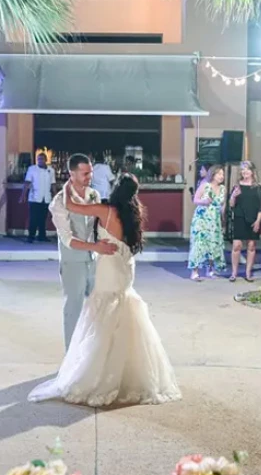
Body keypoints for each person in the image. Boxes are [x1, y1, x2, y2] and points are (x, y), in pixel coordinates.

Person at [29, 174, 181, 406]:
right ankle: (128, 374)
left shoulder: (105, 210)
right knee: (124, 308)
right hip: (125, 266)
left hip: (108, 266)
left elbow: (71, 206)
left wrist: (70, 183)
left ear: (115, 188)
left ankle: (100, 374)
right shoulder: (134, 213)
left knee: (103, 315)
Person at [49, 153, 118, 348]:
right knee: (74, 307)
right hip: (73, 261)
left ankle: (90, 350)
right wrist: (95, 247)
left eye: (90, 173)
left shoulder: (93, 194)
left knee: (96, 306)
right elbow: (68, 239)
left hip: (94, 259)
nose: (89, 177)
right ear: (71, 173)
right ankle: (71, 353)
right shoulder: (59, 202)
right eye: (85, 173)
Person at [188, 164, 226, 280]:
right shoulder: (205, 185)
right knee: (199, 244)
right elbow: (195, 199)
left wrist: (223, 220)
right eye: (219, 174)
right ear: (213, 174)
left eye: (223, 174)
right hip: (202, 219)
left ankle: (210, 270)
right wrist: (203, 201)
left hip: (215, 220)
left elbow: (222, 206)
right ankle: (194, 272)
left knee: (213, 244)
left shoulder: (223, 189)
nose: (221, 176)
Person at [229, 161, 261, 282]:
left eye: (247, 169)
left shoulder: (258, 187)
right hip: (239, 218)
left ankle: (248, 273)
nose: (245, 172)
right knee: (236, 246)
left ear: (252, 172)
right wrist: (233, 196)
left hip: (253, 219)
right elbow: (231, 205)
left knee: (251, 246)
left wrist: (258, 221)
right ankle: (234, 273)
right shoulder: (237, 186)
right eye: (243, 169)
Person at [20, 153, 56, 243]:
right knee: (33, 218)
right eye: (38, 159)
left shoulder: (51, 170)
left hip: (46, 198)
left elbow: (53, 184)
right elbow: (27, 182)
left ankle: (42, 236)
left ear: (46, 160)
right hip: (34, 198)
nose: (40, 161)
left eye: (41, 159)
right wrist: (23, 195)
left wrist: (55, 196)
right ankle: (31, 236)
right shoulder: (32, 169)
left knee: (43, 218)